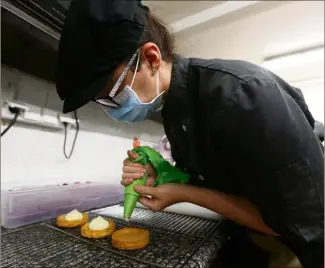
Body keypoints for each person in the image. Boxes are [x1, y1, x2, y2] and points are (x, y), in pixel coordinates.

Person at [56, 1, 324, 267]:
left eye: (114, 95)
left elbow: (289, 223)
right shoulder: (174, 108)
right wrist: (157, 171)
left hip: (300, 247)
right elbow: (209, 175)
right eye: (102, 103)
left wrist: (184, 193)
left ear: (151, 58)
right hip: (247, 231)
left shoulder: (243, 96)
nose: (112, 110)